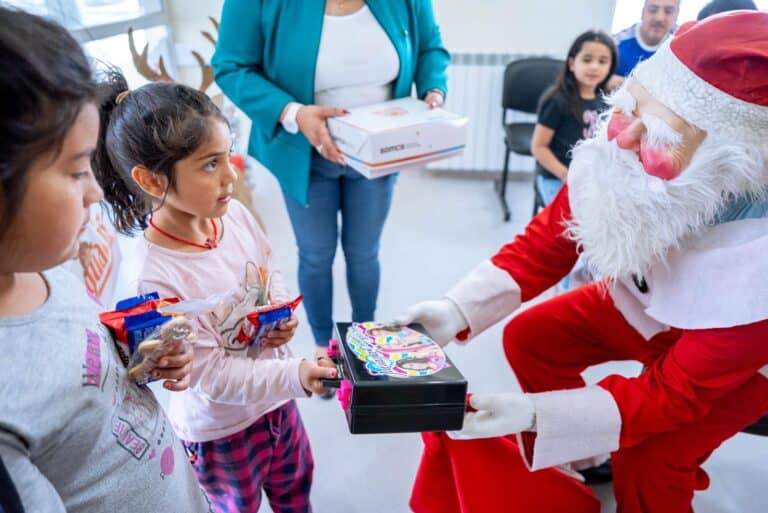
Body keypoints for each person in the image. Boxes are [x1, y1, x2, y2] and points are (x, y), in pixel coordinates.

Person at [397, 11, 768, 513]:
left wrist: (534, 414)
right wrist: (455, 309)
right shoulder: (627, 157)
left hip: (734, 362)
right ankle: (586, 450)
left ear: (740, 160)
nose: (624, 138)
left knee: (654, 458)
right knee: (533, 338)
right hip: (648, 304)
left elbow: (675, 394)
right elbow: (549, 240)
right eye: (630, 108)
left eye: (659, 134)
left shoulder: (757, 268)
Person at [93, 68, 338, 513]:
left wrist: (280, 310)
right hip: (222, 434)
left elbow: (267, 269)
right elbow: (212, 375)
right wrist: (296, 374)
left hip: (278, 405)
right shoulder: (152, 279)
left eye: (227, 155)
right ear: (151, 181)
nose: (230, 175)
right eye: (210, 163)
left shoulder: (235, 216)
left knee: (295, 494)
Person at [0, 7, 211, 513]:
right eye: (77, 173)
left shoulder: (46, 265)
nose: (96, 191)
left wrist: (133, 357)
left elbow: (77, 357)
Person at [212, 0, 450, 372]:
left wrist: (434, 87)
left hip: (377, 153)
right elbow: (231, 66)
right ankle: (325, 344)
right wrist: (293, 112)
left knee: (364, 251)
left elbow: (429, 48)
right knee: (315, 253)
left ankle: (364, 338)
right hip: (303, 153)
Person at [531, 29, 616, 205]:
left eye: (602, 61)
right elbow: (539, 147)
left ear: (610, 68)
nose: (594, 66)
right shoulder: (556, 101)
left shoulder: (606, 100)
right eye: (587, 59)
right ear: (571, 63)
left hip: (590, 178)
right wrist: (566, 175)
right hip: (556, 177)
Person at [611, 0, 679, 88]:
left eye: (668, 11)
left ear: (676, 15)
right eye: (653, 10)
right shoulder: (615, 45)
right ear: (642, 13)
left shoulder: (682, 50)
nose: (659, 18)